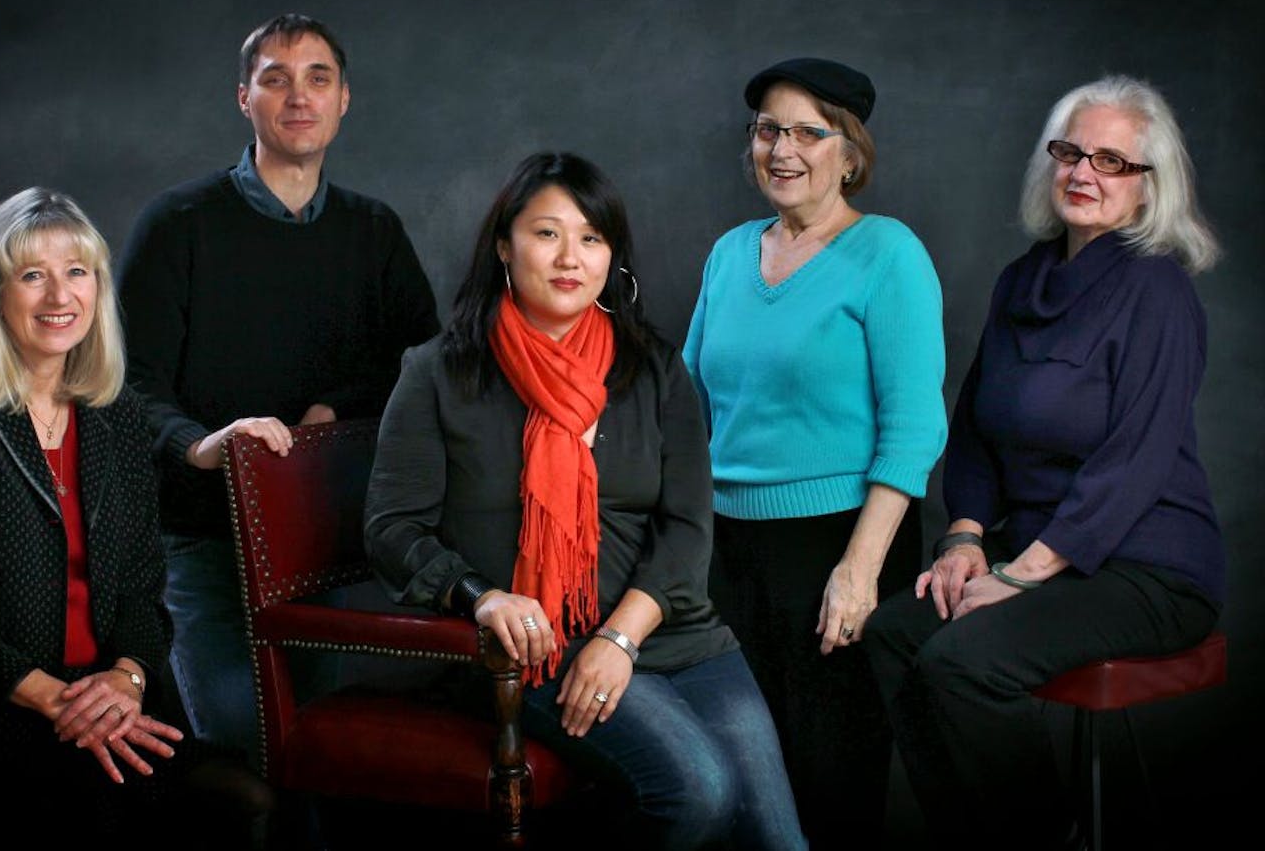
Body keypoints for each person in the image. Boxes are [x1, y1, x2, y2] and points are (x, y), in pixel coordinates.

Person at [365, 152, 806, 850]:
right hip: (540, 649)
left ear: (612, 256)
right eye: (547, 234)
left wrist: (619, 639)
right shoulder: (439, 372)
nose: (571, 257)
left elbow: (688, 526)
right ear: (504, 247)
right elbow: (392, 529)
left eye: (592, 238)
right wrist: (483, 597)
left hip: (670, 633)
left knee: (778, 842)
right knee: (699, 793)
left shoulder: (654, 370)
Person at [861, 75, 1224, 850]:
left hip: (1143, 566)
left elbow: (1135, 461)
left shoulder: (1156, 290)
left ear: (1147, 186)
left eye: (1111, 161)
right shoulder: (1022, 279)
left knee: (962, 662)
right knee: (896, 634)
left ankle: (1041, 835)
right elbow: (977, 429)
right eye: (1069, 151)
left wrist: (1018, 574)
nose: (1082, 173)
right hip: (1035, 556)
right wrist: (962, 538)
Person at [0, 188, 270, 848]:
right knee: (100, 811)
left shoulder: (113, 412)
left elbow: (145, 583)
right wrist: (57, 701)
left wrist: (126, 678)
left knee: (244, 799)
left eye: (77, 272)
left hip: (109, 694)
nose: (60, 296)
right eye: (33, 275)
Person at [117, 13, 440, 769]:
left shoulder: (375, 230)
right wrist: (200, 447)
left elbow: (425, 364)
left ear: (344, 100)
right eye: (275, 78)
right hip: (203, 539)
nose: (299, 96)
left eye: (317, 78)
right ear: (243, 98)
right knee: (242, 746)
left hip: (325, 536)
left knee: (315, 745)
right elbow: (125, 385)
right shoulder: (179, 225)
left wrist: (338, 408)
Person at [681, 56, 947, 848]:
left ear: (849, 151)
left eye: (808, 131)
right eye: (769, 130)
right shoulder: (730, 253)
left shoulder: (889, 254)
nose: (783, 149)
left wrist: (860, 572)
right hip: (726, 551)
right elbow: (687, 402)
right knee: (736, 777)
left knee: (829, 783)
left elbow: (913, 428)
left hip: (841, 545)